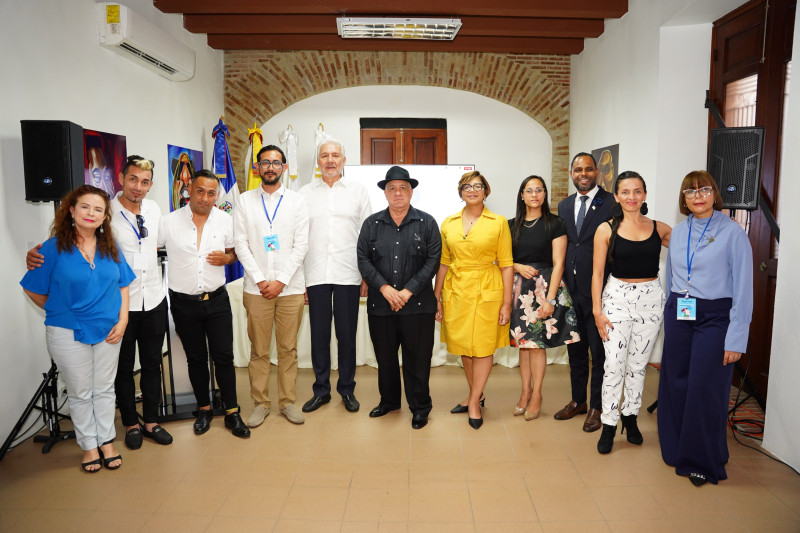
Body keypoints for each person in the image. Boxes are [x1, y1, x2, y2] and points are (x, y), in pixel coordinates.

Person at [27, 155, 173, 450]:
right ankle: (130, 423)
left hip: (153, 296)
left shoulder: (156, 209)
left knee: (153, 364)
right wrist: (34, 256)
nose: (138, 187)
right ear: (122, 178)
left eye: (145, 182)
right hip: (119, 306)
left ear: (151, 185)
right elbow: (70, 248)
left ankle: (151, 420)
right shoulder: (108, 212)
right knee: (122, 369)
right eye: (133, 179)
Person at [21, 185, 135, 472]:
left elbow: (122, 285)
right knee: (81, 392)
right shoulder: (52, 248)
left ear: (105, 216)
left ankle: (107, 441)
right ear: (71, 210)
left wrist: (122, 321)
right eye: (85, 207)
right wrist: (59, 309)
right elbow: (32, 288)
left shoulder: (110, 246)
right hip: (67, 332)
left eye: (98, 209)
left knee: (104, 389)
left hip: (109, 330)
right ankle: (89, 446)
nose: (91, 213)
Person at [657, 171, 752, 486]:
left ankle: (702, 460)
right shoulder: (680, 231)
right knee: (676, 382)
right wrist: (671, 309)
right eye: (690, 191)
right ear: (683, 199)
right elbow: (673, 276)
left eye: (704, 190)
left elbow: (743, 289)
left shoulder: (732, 233)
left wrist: (736, 337)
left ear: (714, 195)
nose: (697, 196)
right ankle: (676, 449)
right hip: (681, 313)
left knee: (704, 386)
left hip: (715, 317)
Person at [158, 170, 250, 438]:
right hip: (184, 304)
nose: (206, 198)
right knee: (196, 358)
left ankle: (232, 412)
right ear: (189, 189)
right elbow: (145, 248)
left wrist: (228, 259)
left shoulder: (225, 220)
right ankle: (204, 409)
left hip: (217, 300)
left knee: (224, 357)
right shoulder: (168, 222)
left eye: (212, 193)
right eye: (200, 191)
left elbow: (234, 252)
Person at [591, 171, 671, 454]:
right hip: (616, 300)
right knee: (614, 365)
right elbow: (598, 273)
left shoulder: (659, 228)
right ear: (616, 197)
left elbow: (689, 250)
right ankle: (609, 424)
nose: (632, 197)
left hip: (650, 301)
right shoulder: (606, 229)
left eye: (637, 191)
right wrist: (597, 311)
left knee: (638, 366)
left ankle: (631, 417)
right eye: (625, 192)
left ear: (645, 195)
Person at [357, 166, 441, 430]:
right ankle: (389, 401)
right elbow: (362, 259)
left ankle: (420, 407)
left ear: (411, 192)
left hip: (417, 305)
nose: (397, 193)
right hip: (381, 304)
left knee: (418, 359)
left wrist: (406, 291)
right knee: (386, 358)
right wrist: (383, 288)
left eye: (403, 188)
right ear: (385, 193)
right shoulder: (371, 224)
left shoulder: (427, 222)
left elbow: (433, 261)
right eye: (391, 188)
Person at [234, 145, 309, 427]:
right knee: (259, 350)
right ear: (257, 167)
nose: (270, 167)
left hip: (289, 289)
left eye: (276, 163)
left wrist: (280, 280)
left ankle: (288, 402)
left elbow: (301, 245)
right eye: (265, 162)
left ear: (284, 168)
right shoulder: (244, 200)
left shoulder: (297, 202)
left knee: (288, 349)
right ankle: (260, 403)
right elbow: (240, 243)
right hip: (257, 289)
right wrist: (262, 279)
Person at [433, 170, 513, 430]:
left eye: (478, 186)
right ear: (460, 192)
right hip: (456, 290)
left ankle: (475, 402)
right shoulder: (448, 223)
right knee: (465, 347)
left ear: (486, 191)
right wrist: (437, 297)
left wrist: (506, 302)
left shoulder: (498, 222)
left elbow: (507, 264)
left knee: (484, 346)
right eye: (467, 186)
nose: (472, 190)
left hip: (488, 288)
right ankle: (475, 393)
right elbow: (444, 262)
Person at [299, 139, 371, 414]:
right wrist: (300, 278)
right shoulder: (303, 193)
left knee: (346, 336)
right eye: (325, 156)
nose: (330, 160)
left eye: (335, 155)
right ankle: (321, 390)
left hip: (348, 273)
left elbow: (367, 236)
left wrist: (366, 275)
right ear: (318, 161)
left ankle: (347, 389)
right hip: (315, 273)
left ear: (343, 160)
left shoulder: (358, 191)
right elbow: (298, 238)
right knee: (318, 336)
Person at [509, 176, 580, 421]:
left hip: (545, 287)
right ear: (522, 195)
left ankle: (537, 394)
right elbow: (502, 260)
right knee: (523, 344)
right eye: (529, 190)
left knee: (537, 346)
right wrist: (517, 266)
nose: (534, 194)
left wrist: (550, 299)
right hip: (520, 290)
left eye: (539, 190)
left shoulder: (555, 223)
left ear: (544, 194)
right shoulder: (511, 225)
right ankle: (524, 391)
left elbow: (559, 262)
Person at [556, 152, 614, 432]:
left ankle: (597, 406)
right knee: (576, 350)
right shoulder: (564, 205)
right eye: (578, 169)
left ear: (596, 173)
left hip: (600, 292)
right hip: (572, 290)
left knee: (599, 352)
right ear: (571, 173)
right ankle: (578, 400)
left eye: (588, 169)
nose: (583, 174)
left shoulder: (612, 203)